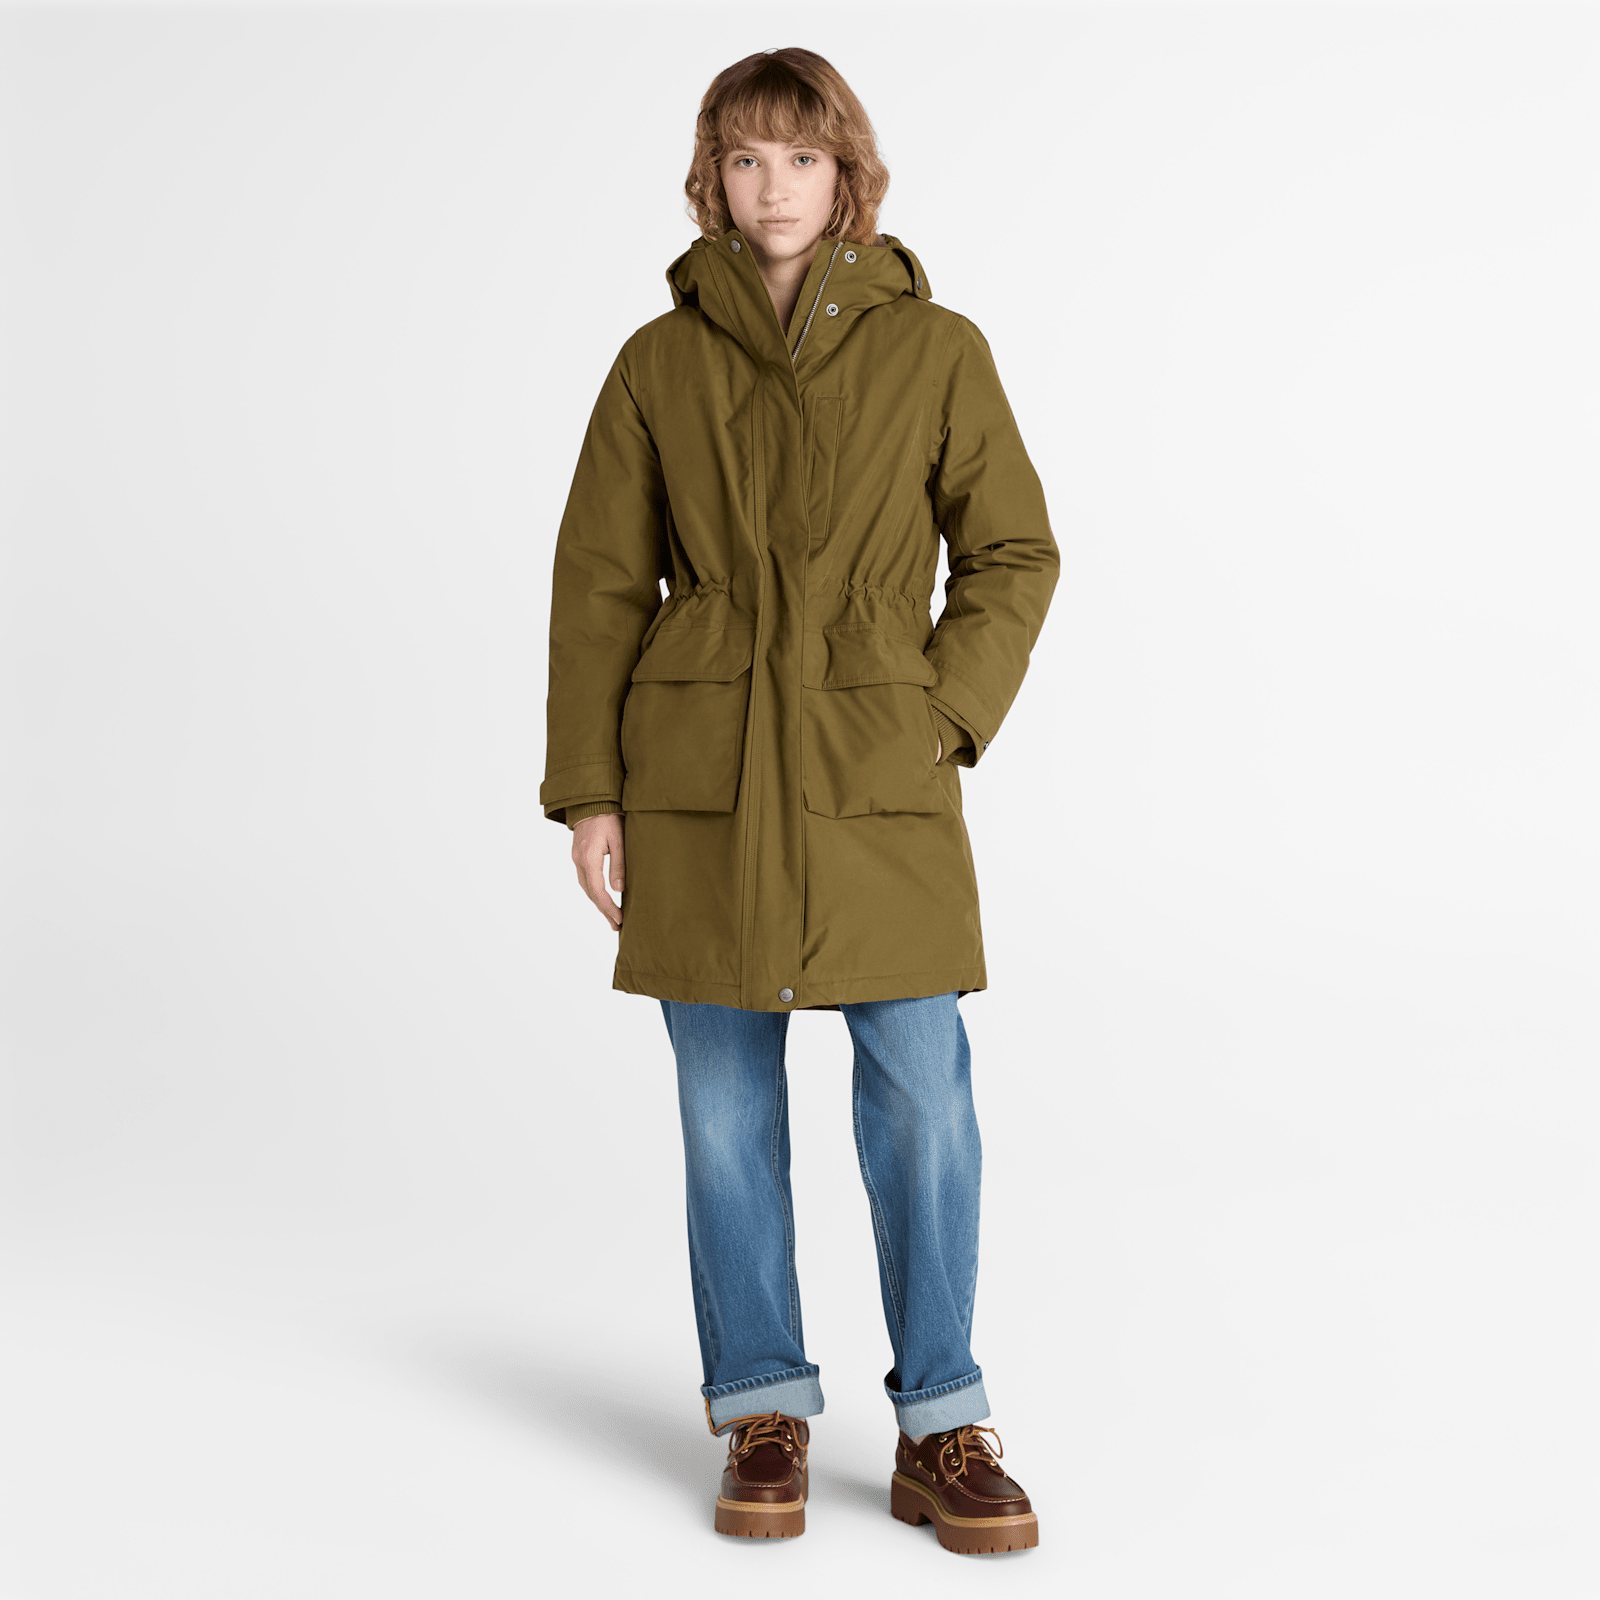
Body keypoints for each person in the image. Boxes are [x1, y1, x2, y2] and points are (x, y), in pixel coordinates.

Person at [541, 47, 1059, 1555]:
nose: (774, 189)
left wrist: (941, 713)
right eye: (746, 159)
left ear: (849, 174)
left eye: (803, 159)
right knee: (723, 1109)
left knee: (923, 1093)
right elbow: (599, 582)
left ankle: (944, 1420)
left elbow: (1013, 552)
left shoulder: (937, 348)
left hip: (872, 772)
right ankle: (761, 1405)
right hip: (699, 780)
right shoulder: (658, 362)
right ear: (713, 175)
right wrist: (591, 791)